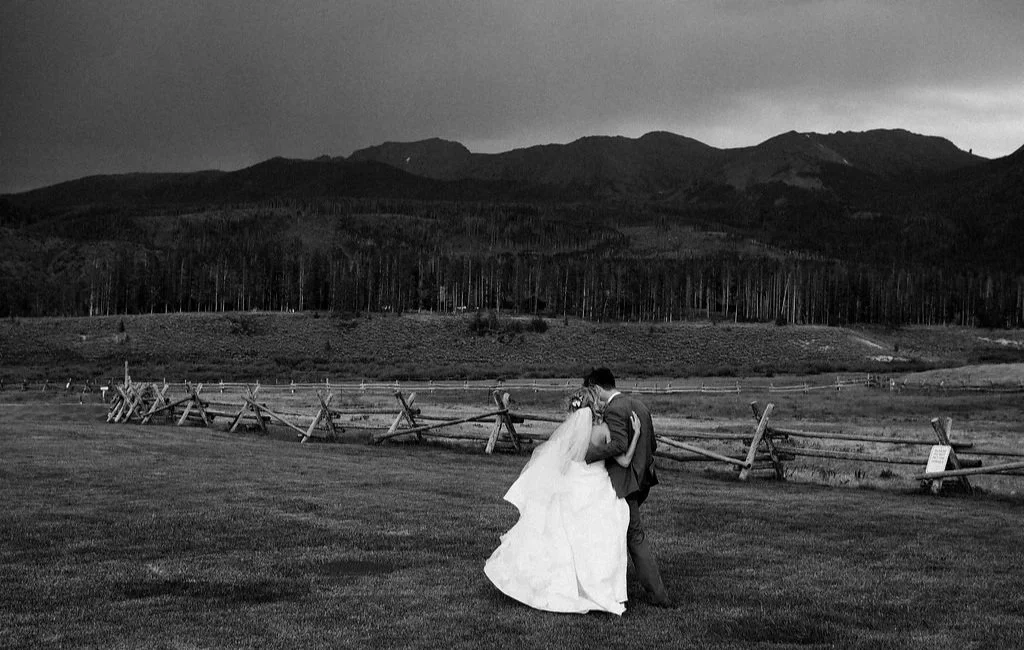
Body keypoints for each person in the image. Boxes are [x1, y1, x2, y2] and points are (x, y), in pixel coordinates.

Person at [483, 386, 642, 615]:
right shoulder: (604, 431)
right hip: (596, 484)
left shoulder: (573, 432)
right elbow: (625, 461)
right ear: (595, 405)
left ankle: (569, 583)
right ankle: (596, 585)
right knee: (599, 534)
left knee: (566, 534)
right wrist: (635, 434)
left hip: (574, 482)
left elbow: (563, 461)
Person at [583, 367, 672, 607]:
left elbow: (619, 445)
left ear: (597, 388)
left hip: (624, 483)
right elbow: (652, 444)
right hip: (642, 479)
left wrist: (587, 454)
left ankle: (658, 595)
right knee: (617, 533)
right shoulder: (640, 406)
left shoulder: (614, 409)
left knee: (634, 536)